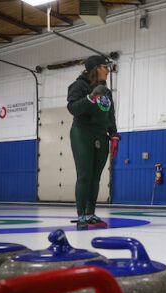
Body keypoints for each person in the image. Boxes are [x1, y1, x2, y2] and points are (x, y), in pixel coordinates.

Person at [67, 55, 120, 230]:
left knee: (96, 177)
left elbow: (110, 115)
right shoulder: (78, 86)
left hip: (100, 134)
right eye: (106, 67)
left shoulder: (106, 91)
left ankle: (91, 214)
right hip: (82, 132)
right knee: (84, 176)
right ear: (96, 68)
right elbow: (73, 108)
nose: (108, 71)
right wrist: (90, 98)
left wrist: (113, 134)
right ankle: (81, 215)